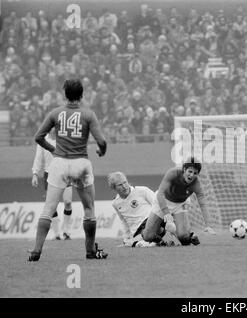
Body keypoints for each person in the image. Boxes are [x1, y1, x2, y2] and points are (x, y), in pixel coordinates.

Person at [28, 79, 108, 261]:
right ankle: (89, 251)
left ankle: (36, 251)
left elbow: (38, 137)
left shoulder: (55, 113)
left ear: (65, 94)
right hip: (80, 164)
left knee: (48, 208)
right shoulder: (88, 115)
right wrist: (101, 151)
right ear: (82, 95)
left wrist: (52, 149)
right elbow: (102, 141)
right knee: (89, 208)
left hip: (59, 163)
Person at [141, 156, 216, 246]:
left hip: (179, 205)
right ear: (184, 169)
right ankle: (160, 228)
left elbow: (202, 203)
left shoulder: (196, 184)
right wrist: (167, 213)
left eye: (195, 173)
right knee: (147, 237)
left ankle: (188, 235)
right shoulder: (173, 173)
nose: (192, 175)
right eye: (190, 171)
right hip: (162, 201)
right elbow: (160, 194)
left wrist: (208, 225)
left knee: (184, 238)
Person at [107, 171, 179, 247]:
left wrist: (169, 219)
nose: (124, 186)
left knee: (168, 224)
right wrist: (126, 239)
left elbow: (158, 204)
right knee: (135, 244)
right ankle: (158, 243)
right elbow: (124, 222)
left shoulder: (142, 191)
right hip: (138, 231)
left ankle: (186, 238)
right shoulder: (115, 203)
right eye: (120, 185)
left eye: (125, 182)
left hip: (152, 221)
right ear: (113, 187)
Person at [31, 129, 73, 240]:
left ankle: (66, 231)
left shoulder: (64, 139)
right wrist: (35, 173)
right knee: (52, 205)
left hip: (65, 173)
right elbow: (38, 158)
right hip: (50, 174)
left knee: (68, 202)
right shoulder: (43, 141)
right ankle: (56, 234)